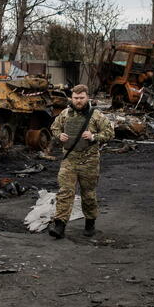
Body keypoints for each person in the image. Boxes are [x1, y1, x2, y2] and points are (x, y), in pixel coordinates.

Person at [48, 84, 115, 239]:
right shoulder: (65, 114)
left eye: (81, 98)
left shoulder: (96, 115)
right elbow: (54, 128)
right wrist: (60, 136)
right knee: (65, 192)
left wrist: (93, 137)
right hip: (69, 161)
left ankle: (90, 223)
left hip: (89, 161)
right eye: (76, 98)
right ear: (71, 98)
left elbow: (109, 133)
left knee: (88, 194)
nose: (78, 101)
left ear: (87, 98)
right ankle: (59, 226)